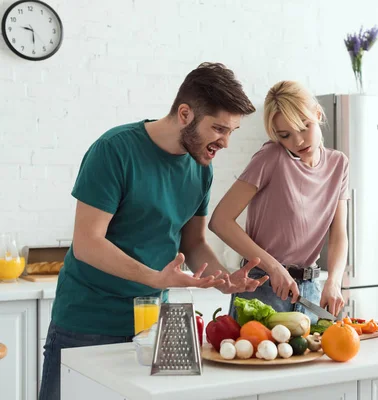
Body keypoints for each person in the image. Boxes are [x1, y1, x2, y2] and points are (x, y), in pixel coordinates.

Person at [39, 62, 269, 400]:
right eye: (219, 129)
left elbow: (194, 242)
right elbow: (87, 243)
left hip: (150, 329)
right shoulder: (115, 150)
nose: (226, 142)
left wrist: (224, 278)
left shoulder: (200, 169)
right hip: (87, 324)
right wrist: (155, 278)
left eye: (231, 130)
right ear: (186, 114)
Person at [209, 80, 349, 324]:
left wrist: (334, 281)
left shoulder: (338, 165)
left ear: (317, 114)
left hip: (310, 290)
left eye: (304, 127)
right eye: (285, 135)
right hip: (263, 285)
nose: (298, 141)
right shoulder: (270, 157)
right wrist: (274, 268)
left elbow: (339, 234)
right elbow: (220, 221)